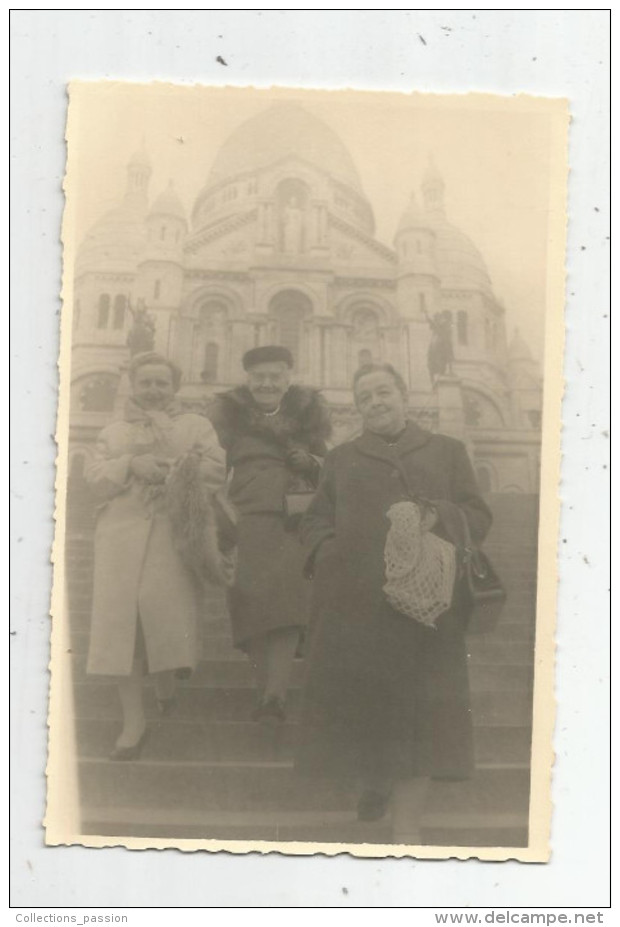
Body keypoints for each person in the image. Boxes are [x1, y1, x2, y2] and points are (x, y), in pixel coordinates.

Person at [297, 363, 492, 840]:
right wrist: (327, 553)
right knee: (364, 709)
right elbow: (315, 519)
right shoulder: (341, 459)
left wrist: (435, 516)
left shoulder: (447, 451)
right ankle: (374, 782)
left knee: (419, 721)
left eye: (383, 391)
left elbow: (477, 514)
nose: (375, 402)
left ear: (405, 395)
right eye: (364, 397)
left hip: (425, 611)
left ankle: (407, 830)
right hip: (354, 608)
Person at [85, 351, 227, 759]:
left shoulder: (195, 425)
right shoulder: (114, 431)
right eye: (145, 382)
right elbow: (93, 476)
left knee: (164, 617)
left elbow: (217, 468)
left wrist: (176, 467)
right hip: (120, 536)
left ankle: (166, 680)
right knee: (122, 627)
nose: (153, 390)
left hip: (172, 532)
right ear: (133, 384)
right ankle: (134, 722)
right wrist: (130, 463)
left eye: (161, 382)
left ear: (174, 387)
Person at [208, 345, 331, 722]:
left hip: (292, 522)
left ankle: (274, 696)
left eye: (274, 376)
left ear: (287, 378)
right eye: (258, 376)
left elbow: (330, 472)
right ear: (248, 379)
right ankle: (264, 689)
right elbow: (212, 467)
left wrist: (311, 461)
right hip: (245, 520)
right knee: (249, 605)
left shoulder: (308, 418)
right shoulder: (228, 420)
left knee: (287, 607)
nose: (266, 383)